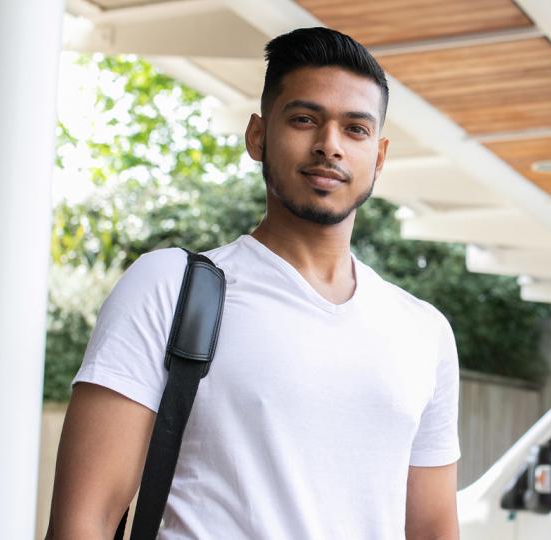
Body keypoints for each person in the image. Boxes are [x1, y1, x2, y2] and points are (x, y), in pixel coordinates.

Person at [46, 28, 461, 539]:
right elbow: (83, 521)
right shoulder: (171, 289)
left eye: (356, 129)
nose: (329, 145)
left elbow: (433, 528)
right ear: (258, 136)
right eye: (305, 119)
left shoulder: (424, 332)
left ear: (378, 157)